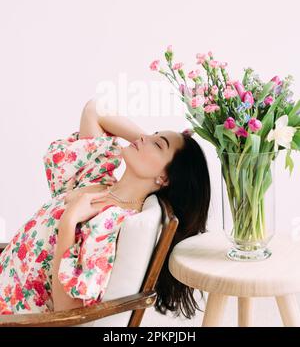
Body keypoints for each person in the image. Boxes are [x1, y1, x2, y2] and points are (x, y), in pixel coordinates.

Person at [0, 98, 211, 319]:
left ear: (165, 177)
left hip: (13, 318)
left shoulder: (113, 225)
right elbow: (95, 110)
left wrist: (69, 221)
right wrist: (148, 143)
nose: (143, 137)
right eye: (152, 134)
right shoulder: (97, 177)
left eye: (158, 145)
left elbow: (68, 313)